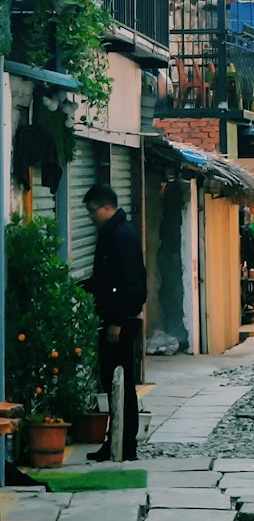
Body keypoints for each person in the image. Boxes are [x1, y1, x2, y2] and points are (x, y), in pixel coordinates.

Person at [80, 183, 147, 462]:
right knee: (112, 383)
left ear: (106, 207)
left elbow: (132, 284)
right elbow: (106, 281)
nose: (91, 218)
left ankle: (124, 445)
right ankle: (116, 442)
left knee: (120, 383)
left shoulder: (121, 235)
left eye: (93, 212)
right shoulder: (112, 234)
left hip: (119, 323)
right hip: (112, 319)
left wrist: (118, 321)